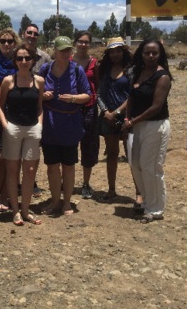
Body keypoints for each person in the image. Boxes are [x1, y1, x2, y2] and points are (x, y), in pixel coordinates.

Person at [39, 36, 91, 216]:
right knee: (52, 166)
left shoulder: (77, 70)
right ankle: (55, 202)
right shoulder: (45, 69)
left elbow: (88, 95)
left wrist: (73, 98)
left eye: (68, 49)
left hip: (70, 123)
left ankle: (67, 202)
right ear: (54, 50)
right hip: (50, 123)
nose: (65, 53)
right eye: (62, 50)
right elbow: (35, 90)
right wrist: (42, 95)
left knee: (68, 165)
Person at [122, 39, 173, 223]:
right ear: (141, 54)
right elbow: (132, 98)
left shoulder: (163, 77)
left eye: (154, 53)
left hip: (155, 125)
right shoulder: (138, 73)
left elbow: (156, 107)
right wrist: (128, 119)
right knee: (135, 164)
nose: (150, 56)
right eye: (147, 52)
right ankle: (146, 201)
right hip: (137, 125)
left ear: (160, 55)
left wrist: (132, 121)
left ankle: (155, 208)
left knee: (151, 167)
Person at [0, 44, 44, 225]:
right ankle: (16, 211)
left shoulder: (39, 81)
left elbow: (40, 107)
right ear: (15, 61)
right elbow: (0, 107)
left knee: (30, 170)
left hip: (33, 128)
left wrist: (40, 125)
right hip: (13, 128)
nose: (23, 61)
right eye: (19, 58)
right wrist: (6, 126)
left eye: (27, 58)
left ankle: (26, 209)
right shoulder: (8, 81)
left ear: (33, 60)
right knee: (12, 170)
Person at [96, 37, 133, 202]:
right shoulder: (103, 70)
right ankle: (111, 189)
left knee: (132, 154)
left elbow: (133, 95)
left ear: (123, 52)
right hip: (108, 118)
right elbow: (98, 93)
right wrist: (105, 111)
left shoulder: (131, 70)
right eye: (112, 51)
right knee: (112, 154)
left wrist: (117, 112)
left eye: (118, 51)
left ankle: (139, 191)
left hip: (127, 118)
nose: (115, 54)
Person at [0, 28, 20, 212]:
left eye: (10, 41)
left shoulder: (20, 61)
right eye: (3, 41)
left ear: (15, 43)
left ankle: (5, 196)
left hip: (16, 112)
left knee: (14, 158)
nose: (6, 44)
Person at [22, 23, 51, 196]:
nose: (32, 36)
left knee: (34, 147)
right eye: (29, 32)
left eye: (35, 34)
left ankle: (32, 182)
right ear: (24, 34)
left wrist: (46, 92)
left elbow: (51, 78)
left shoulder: (45, 57)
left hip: (37, 107)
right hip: (17, 106)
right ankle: (18, 182)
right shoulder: (16, 54)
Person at [71, 30, 100, 200]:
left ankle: (86, 183)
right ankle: (68, 180)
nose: (83, 44)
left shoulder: (94, 63)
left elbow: (98, 83)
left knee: (88, 146)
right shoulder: (67, 61)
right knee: (70, 145)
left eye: (86, 42)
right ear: (75, 43)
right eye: (80, 41)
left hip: (89, 108)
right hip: (71, 108)